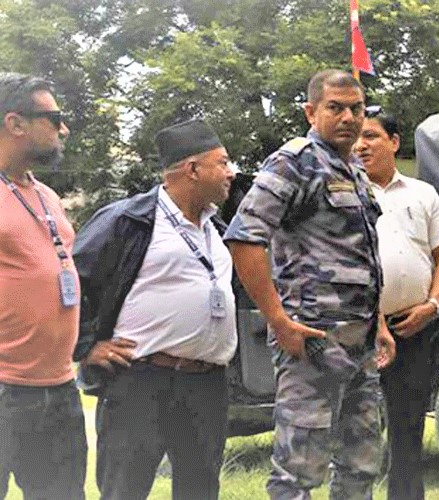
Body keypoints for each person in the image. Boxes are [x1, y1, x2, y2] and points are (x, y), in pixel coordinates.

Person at [225, 69, 396, 499]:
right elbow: (245, 237)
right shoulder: (295, 161)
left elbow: (364, 259)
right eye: (335, 107)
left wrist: (378, 325)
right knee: (299, 471)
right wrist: (278, 320)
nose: (348, 118)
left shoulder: (353, 170)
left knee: (361, 465)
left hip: (360, 348)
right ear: (310, 110)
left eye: (357, 109)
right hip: (312, 344)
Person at [73, 119, 236, 499]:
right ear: (192, 170)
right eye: (223, 162)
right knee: (125, 489)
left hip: (207, 386)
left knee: (200, 490)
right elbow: (67, 281)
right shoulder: (127, 219)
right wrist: (84, 347)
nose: (232, 172)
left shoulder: (217, 227)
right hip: (141, 382)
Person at [355, 106, 439, 500]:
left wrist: (432, 305)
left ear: (395, 142)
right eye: (358, 138)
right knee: (356, 427)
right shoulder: (346, 192)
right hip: (360, 330)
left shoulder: (422, 193)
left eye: (372, 136)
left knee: (409, 423)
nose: (362, 145)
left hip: (413, 327)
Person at [0, 72, 85, 500]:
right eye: (54, 118)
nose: (63, 128)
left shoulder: (47, 196)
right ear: (15, 124)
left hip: (59, 387)